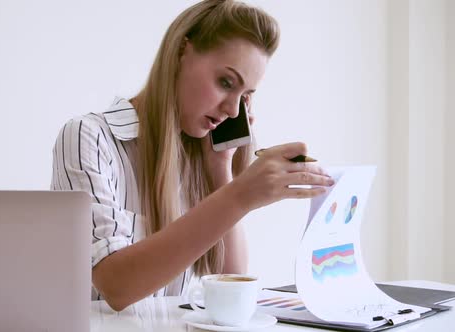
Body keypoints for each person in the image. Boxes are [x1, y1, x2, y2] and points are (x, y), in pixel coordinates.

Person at [51, 0, 334, 311]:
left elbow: (232, 282)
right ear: (181, 53)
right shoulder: (89, 138)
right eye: (226, 82)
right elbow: (117, 285)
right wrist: (239, 196)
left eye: (246, 96)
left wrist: (220, 171)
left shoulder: (202, 162)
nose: (232, 110)